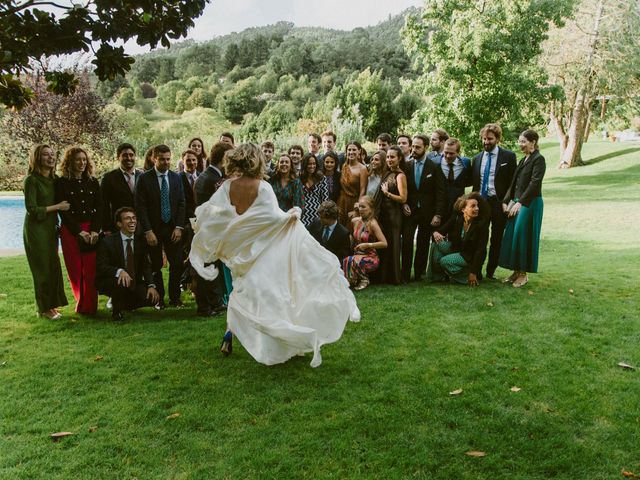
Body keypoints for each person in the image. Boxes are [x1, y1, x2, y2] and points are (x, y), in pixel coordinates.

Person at [189, 143, 359, 367]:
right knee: (271, 293)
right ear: (257, 161)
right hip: (263, 249)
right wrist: (294, 214)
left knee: (242, 291)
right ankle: (281, 338)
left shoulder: (227, 187)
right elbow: (273, 218)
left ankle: (231, 334)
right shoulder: (263, 187)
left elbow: (216, 214)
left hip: (241, 250)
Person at [135, 144, 186, 308]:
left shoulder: (176, 177)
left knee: (177, 264)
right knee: (155, 265)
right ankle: (159, 300)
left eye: (168, 159)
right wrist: (148, 231)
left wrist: (179, 226)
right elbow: (140, 206)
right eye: (162, 159)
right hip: (153, 229)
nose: (166, 162)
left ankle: (175, 298)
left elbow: (181, 203)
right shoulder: (144, 178)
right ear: (153, 158)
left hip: (172, 228)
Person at [23, 144, 69, 319]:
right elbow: (32, 209)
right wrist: (58, 207)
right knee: (42, 269)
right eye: (45, 155)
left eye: (52, 155)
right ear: (37, 158)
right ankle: (44, 309)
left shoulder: (55, 180)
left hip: (51, 229)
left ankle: (51, 305)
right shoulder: (31, 180)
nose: (51, 158)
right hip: (36, 230)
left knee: (52, 267)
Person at [55, 146, 102, 315]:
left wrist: (95, 230)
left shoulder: (93, 182)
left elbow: (100, 208)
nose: (82, 163)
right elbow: (63, 211)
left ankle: (90, 307)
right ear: (70, 162)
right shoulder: (61, 183)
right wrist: (77, 231)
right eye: (78, 159)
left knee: (90, 270)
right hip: (71, 231)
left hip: (91, 230)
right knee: (75, 270)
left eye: (84, 159)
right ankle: (81, 303)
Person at [499, 129, 546, 288]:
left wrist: (520, 203)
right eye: (519, 141)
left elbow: (535, 183)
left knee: (523, 237)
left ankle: (523, 274)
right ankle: (515, 272)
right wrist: (507, 200)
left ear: (533, 142)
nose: (520, 145)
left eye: (523, 141)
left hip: (530, 203)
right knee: (512, 236)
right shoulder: (523, 160)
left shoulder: (539, 159)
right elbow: (513, 183)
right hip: (518, 201)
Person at [96, 207, 160, 320]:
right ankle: (117, 312)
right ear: (119, 224)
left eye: (134, 218)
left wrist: (151, 285)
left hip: (134, 281)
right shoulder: (107, 242)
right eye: (127, 218)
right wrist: (119, 271)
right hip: (112, 280)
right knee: (120, 282)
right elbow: (101, 266)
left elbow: (146, 266)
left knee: (153, 297)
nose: (132, 221)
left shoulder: (141, 241)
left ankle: (125, 304)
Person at [193, 141, 233, 316]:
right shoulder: (214, 179)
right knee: (206, 268)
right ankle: (206, 306)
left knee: (208, 266)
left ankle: (212, 304)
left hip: (205, 227)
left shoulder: (206, 176)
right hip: (210, 229)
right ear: (224, 158)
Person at [471, 123, 517, 279]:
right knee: (480, 238)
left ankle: (491, 272)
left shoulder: (508, 157)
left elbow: (513, 183)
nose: (486, 142)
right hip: (481, 204)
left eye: (489, 139)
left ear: (497, 139)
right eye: (484, 139)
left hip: (499, 203)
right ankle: (476, 270)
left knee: (496, 239)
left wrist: (508, 203)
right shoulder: (476, 159)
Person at [401, 134, 446, 283]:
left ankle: (419, 273)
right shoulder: (406, 166)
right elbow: (402, 189)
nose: (414, 149)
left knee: (422, 243)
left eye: (417, 147)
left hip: (427, 212)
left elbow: (440, 193)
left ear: (425, 147)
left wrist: (438, 214)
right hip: (410, 211)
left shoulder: (434, 167)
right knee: (407, 242)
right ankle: (405, 274)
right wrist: (404, 203)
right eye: (413, 146)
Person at [427, 192, 489, 286]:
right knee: (435, 244)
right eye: (473, 206)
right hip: (457, 250)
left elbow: (481, 251)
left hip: (468, 256)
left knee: (444, 261)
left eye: (477, 206)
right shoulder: (456, 218)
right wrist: (435, 233)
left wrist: (474, 272)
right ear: (463, 209)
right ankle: (438, 276)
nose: (477, 208)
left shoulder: (482, 225)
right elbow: (441, 231)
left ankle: (467, 277)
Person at [342, 195, 387, 290]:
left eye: (363, 207)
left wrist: (367, 245)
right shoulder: (355, 221)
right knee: (346, 260)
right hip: (357, 254)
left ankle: (364, 280)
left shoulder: (373, 224)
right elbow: (352, 234)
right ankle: (350, 281)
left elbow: (384, 243)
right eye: (360, 206)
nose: (361, 209)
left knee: (355, 260)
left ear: (371, 209)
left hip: (370, 257)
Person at [378, 146, 407, 285]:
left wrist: (387, 193)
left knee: (393, 244)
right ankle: (383, 276)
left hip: (394, 215)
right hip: (384, 214)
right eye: (388, 157)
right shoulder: (387, 173)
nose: (389, 159)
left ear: (399, 158)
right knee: (385, 245)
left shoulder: (400, 176)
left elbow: (403, 199)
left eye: (392, 157)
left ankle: (394, 277)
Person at [101, 143, 142, 235]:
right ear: (118, 157)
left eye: (131, 155)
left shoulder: (143, 176)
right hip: (118, 226)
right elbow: (104, 205)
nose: (129, 158)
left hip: (141, 226)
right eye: (125, 155)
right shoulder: (109, 178)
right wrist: (106, 228)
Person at [439, 138, 473, 222]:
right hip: (440, 208)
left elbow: (469, 182)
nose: (448, 156)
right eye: (446, 152)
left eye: (451, 153)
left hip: (458, 208)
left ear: (458, 153)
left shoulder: (466, 163)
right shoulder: (436, 163)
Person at [337, 141, 368, 226]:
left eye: (354, 150)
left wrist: (357, 209)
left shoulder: (362, 169)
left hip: (354, 202)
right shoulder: (344, 166)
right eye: (349, 150)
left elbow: (363, 190)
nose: (351, 152)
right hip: (342, 201)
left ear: (359, 151)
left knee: (351, 228)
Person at [299, 153, 329, 227]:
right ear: (305, 165)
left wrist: (323, 216)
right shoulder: (298, 178)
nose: (312, 166)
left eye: (314, 163)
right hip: (301, 215)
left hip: (317, 216)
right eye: (309, 164)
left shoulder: (321, 178)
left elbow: (325, 199)